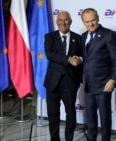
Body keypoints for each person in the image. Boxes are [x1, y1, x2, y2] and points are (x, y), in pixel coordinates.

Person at [81, 8, 116, 141]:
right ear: (84, 23)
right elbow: (86, 58)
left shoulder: (108, 35)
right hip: (88, 85)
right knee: (91, 119)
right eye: (87, 22)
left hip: (104, 84)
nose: (91, 24)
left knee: (105, 119)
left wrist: (113, 80)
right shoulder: (83, 37)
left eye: (93, 20)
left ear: (98, 19)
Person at [44, 11, 83, 141]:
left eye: (66, 20)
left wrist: (79, 59)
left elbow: (83, 56)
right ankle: (54, 139)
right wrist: (68, 59)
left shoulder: (78, 38)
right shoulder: (49, 37)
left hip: (70, 82)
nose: (63, 23)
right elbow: (50, 54)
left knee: (71, 115)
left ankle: (69, 139)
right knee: (53, 114)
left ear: (70, 22)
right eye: (60, 20)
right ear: (57, 22)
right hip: (53, 82)